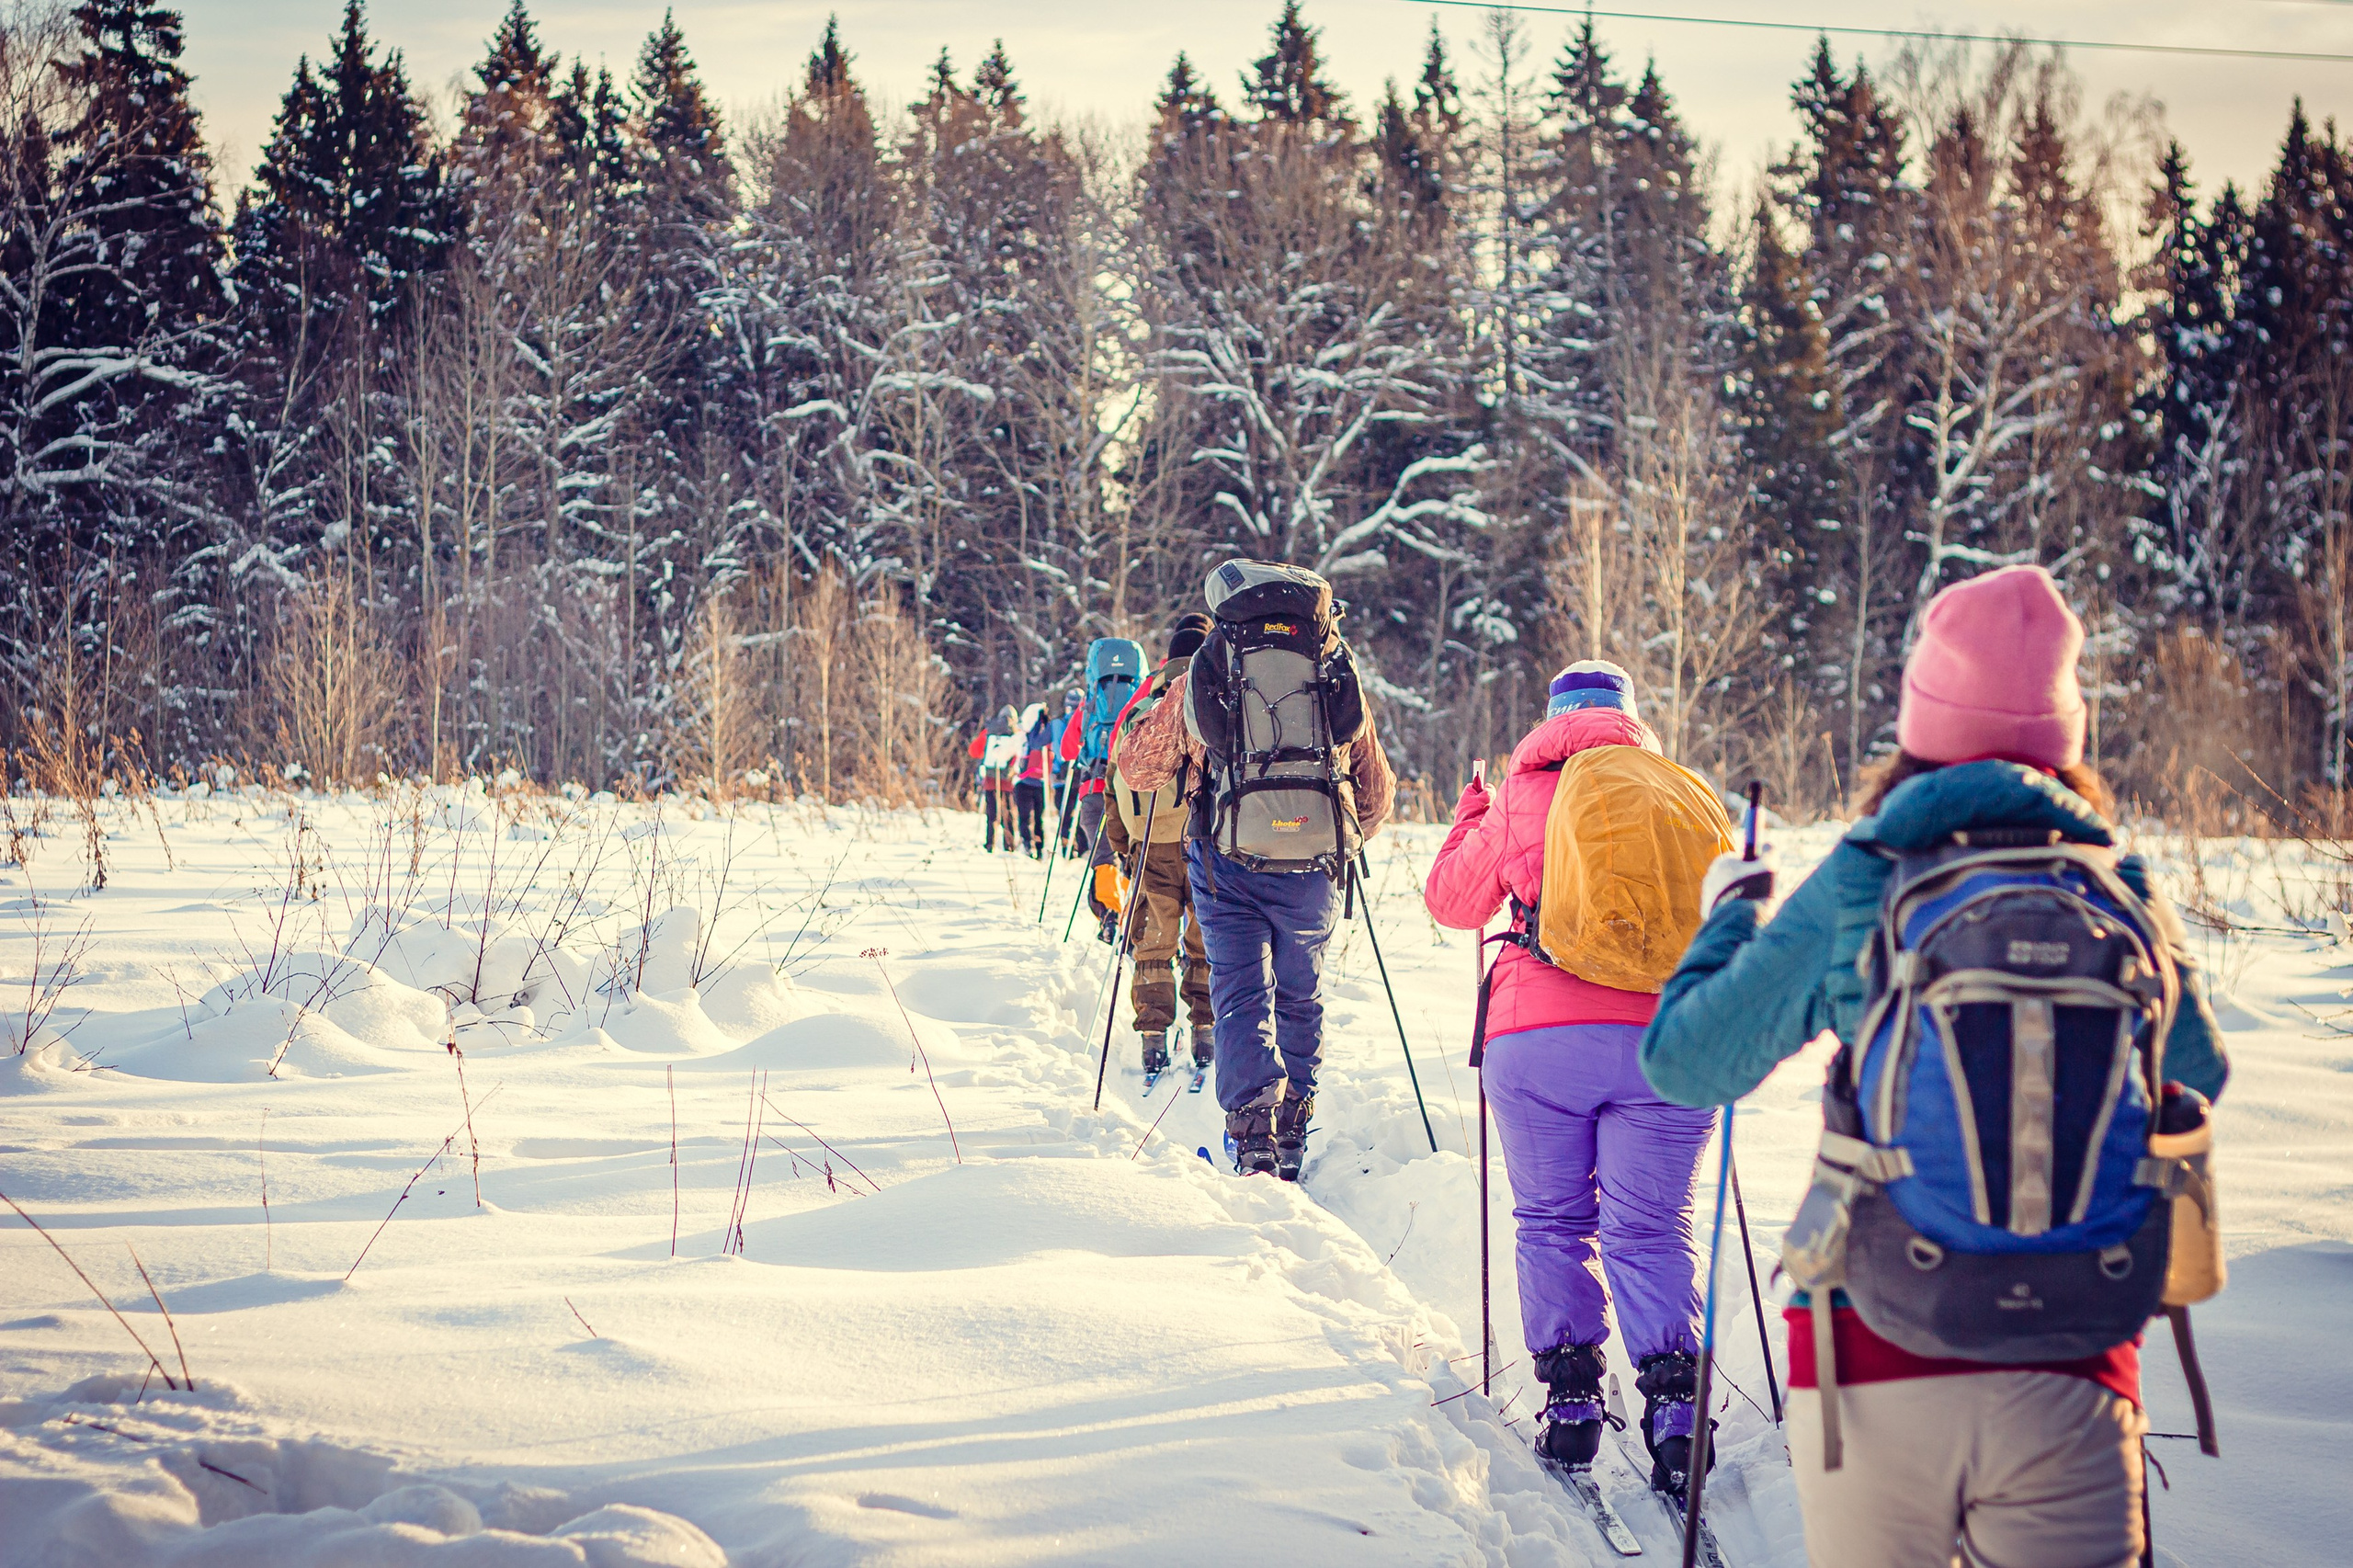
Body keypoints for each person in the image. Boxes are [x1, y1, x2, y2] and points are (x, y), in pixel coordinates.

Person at [1642, 565, 2229, 1568]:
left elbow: (1686, 1063)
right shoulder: (2118, 882)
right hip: (2076, 1356)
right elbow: (2198, 1072)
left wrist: (1728, 919)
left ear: (1921, 721)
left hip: (1873, 1348)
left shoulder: (1867, 876)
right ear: (2066, 733)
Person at [1422, 660, 1729, 1497]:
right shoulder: (1677, 793)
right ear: (1629, 719)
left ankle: (1570, 1405)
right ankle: (1677, 1412)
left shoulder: (1522, 795)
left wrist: (1470, 819)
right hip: (1670, 1040)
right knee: (1653, 1227)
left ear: (1552, 718)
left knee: (1554, 1219)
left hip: (1540, 1038)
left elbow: (1452, 903)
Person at [1119, 562, 1394, 1180]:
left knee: (1241, 993)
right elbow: (1376, 794)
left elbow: (1138, 769)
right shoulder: (1330, 666)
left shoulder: (1207, 667)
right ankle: (1294, 1123)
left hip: (1226, 861)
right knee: (1301, 990)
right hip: (1315, 866)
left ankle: (1253, 1138)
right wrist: (1324, 833)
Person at [1102, 613, 1217, 1077]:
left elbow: (1113, 783)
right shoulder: (1218, 700)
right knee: (1206, 938)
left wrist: (1122, 846)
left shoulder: (1141, 709)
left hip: (1151, 840)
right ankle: (1205, 1030)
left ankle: (1153, 1037)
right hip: (1208, 841)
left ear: (1167, 660)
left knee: (1153, 938)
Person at [1062, 638, 1145, 938]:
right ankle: (1133, 917)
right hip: (1131, 791)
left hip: (1095, 790)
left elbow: (1067, 749)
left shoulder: (1089, 704)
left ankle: (1110, 913)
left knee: (1103, 857)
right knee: (1132, 855)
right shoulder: (1141, 699)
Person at [966, 705, 1020, 852]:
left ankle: (990, 844)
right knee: (1008, 812)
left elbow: (973, 751)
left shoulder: (989, 731)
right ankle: (1009, 845)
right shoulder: (1016, 733)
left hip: (990, 779)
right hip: (1008, 780)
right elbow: (1019, 754)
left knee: (991, 812)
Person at [1013, 702, 1051, 858]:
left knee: (1024, 818)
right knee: (1038, 819)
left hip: (1024, 782)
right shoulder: (1048, 733)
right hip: (1041, 783)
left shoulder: (1025, 735)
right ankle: (1039, 847)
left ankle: (1028, 845)